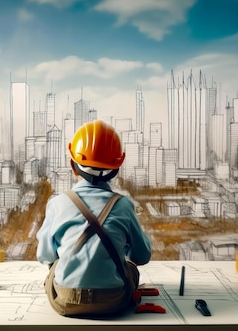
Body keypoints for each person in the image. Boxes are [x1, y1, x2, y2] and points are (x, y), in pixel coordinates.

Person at [36, 119, 152, 317]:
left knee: (56, 262)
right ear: (115, 169)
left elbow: (45, 256)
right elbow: (142, 256)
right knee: (130, 268)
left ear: (73, 165)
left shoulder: (57, 204)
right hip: (114, 301)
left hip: (65, 300)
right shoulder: (124, 205)